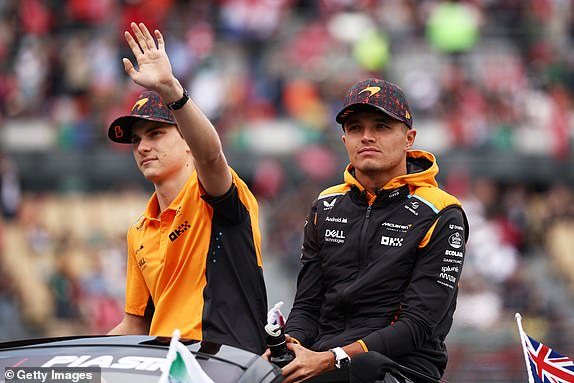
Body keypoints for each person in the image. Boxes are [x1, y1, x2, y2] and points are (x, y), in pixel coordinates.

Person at [275, 78, 469, 382]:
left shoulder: (442, 212)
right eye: (355, 128)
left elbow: (417, 325)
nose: (367, 137)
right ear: (344, 140)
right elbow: (307, 306)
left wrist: (333, 359)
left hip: (402, 367)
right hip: (324, 362)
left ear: (409, 138)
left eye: (381, 126)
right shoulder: (326, 205)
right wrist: (290, 348)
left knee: (366, 367)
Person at [106, 22, 267, 354]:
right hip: (165, 367)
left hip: (224, 363)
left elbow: (211, 155)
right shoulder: (138, 231)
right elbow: (135, 325)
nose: (142, 147)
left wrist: (171, 91)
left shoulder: (213, 195)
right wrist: (77, 359)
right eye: (136, 140)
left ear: (188, 143)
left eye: (156, 134)